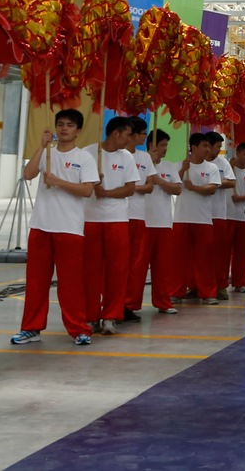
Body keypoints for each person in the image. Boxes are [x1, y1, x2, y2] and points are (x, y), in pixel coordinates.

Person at [11, 109, 98, 347]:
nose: (64, 128)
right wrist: (41, 146)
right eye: (60, 124)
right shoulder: (47, 153)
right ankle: (31, 328)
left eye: (70, 125)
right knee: (36, 282)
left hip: (69, 228)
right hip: (41, 225)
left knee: (70, 284)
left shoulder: (84, 158)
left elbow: (87, 190)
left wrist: (57, 182)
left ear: (78, 130)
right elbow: (28, 174)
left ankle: (79, 329)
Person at [83, 117, 139, 336]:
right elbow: (80, 183)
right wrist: (92, 179)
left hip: (117, 220)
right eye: (127, 135)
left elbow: (130, 189)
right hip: (91, 219)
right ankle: (90, 315)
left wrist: (106, 192)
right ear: (116, 133)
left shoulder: (127, 157)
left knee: (117, 270)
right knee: (90, 271)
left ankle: (111, 316)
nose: (129, 139)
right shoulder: (89, 153)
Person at [174, 133, 221, 304]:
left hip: (203, 219)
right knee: (179, 259)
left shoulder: (211, 168)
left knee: (204, 259)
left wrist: (193, 187)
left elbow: (212, 188)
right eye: (204, 146)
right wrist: (182, 170)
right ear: (193, 148)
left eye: (209, 146)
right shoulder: (180, 165)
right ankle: (176, 292)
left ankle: (208, 293)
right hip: (181, 218)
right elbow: (174, 185)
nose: (207, 150)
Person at [144, 129, 182, 314]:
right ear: (151, 145)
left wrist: (158, 180)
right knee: (138, 267)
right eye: (162, 145)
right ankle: (130, 304)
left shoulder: (169, 167)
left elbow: (177, 189)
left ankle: (163, 302)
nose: (165, 149)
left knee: (163, 266)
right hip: (143, 222)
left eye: (166, 145)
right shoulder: (140, 163)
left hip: (163, 222)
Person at [123, 117, 155, 322]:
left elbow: (149, 186)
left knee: (136, 265)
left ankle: (129, 304)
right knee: (119, 264)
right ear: (133, 134)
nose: (145, 137)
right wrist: (132, 188)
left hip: (138, 216)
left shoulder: (144, 158)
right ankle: (113, 304)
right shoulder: (119, 156)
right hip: (120, 216)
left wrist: (128, 188)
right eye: (143, 133)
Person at [205, 132, 236, 300]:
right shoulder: (196, 163)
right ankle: (195, 285)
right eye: (217, 147)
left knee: (220, 253)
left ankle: (221, 285)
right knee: (201, 254)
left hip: (218, 214)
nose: (219, 150)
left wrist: (214, 182)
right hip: (200, 215)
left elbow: (231, 182)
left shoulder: (223, 163)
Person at [225, 141, 245, 294]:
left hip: (244, 218)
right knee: (225, 252)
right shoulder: (228, 169)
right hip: (228, 216)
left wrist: (243, 197)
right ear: (237, 153)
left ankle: (240, 282)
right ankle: (222, 282)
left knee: (242, 252)